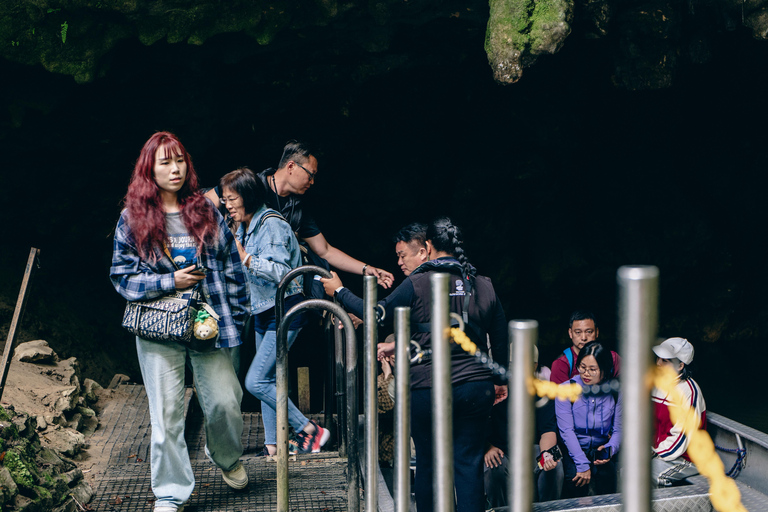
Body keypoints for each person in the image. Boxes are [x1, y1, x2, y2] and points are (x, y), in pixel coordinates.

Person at [321, 217, 508, 512]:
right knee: (468, 465)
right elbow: (499, 338)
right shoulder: (483, 284)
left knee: (429, 464)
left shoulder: (418, 284)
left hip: (429, 388)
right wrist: (499, 381)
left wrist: (340, 291)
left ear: (429, 247)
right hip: (475, 388)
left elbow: (376, 314)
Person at [110, 132, 250, 512]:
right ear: (149, 170)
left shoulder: (206, 210)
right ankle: (170, 492)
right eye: (165, 162)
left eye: (180, 161)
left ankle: (226, 456)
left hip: (208, 323)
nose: (175, 169)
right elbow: (123, 277)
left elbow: (233, 267)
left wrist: (236, 318)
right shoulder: (132, 217)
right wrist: (169, 281)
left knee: (225, 402)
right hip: (158, 327)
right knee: (167, 412)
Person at [219, 167, 330, 455]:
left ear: (248, 196)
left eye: (232, 199)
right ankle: (273, 447)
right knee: (267, 380)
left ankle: (310, 430)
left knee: (255, 381)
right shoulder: (244, 226)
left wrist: (247, 259)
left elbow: (285, 272)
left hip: (286, 311)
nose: (227, 205)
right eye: (225, 199)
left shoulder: (271, 224)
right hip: (264, 311)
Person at [257, 140, 394, 288]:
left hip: (281, 285)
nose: (312, 182)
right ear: (291, 166)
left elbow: (325, 251)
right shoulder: (251, 188)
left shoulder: (298, 208)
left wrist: (366, 269)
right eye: (311, 175)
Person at [483, 346, 563, 507]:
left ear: (534, 366)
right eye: (511, 364)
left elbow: (548, 431)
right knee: (492, 465)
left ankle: (548, 509)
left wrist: (547, 453)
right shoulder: (493, 392)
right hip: (501, 452)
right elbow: (474, 428)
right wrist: (488, 447)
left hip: (532, 452)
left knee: (555, 462)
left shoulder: (542, 393)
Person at [555, 341, 622, 498]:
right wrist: (582, 463)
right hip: (574, 450)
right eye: (582, 367)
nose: (586, 373)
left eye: (593, 369)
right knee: (575, 480)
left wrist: (610, 449)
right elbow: (566, 431)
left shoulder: (616, 392)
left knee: (608, 483)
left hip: (601, 449)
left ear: (605, 370)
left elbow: (620, 429)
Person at [651, 337, 707, 486]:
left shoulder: (689, 392)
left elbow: (682, 437)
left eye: (665, 361)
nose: (658, 363)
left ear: (680, 365)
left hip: (686, 457)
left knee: (651, 474)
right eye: (658, 358)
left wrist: (654, 453)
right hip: (660, 451)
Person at [550, 310, 622, 384]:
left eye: (589, 332)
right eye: (578, 332)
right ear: (570, 333)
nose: (584, 338)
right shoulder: (561, 364)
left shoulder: (613, 358)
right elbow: (561, 394)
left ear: (597, 332)